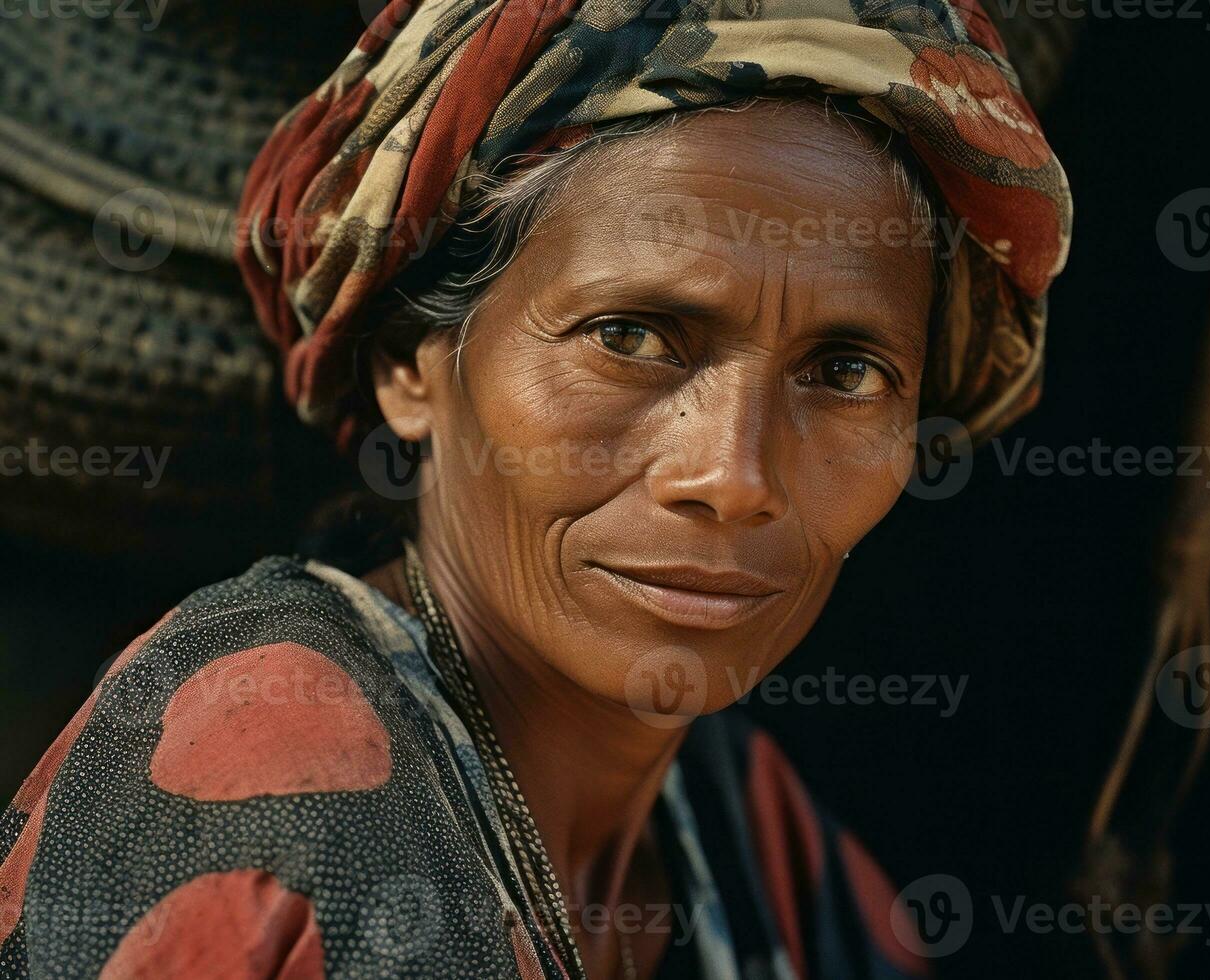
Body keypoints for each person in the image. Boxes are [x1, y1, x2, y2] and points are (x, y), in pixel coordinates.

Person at [0, 1, 1070, 976]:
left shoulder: (742, 825)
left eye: (844, 374)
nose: (734, 478)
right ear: (411, 364)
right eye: (630, 336)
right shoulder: (276, 779)